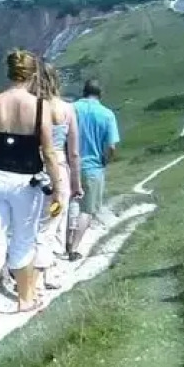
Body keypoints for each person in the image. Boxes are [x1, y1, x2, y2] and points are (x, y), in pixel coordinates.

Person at [0, 49, 60, 323]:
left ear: (9, 72)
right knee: (23, 239)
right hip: (26, 180)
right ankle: (25, 300)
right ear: (33, 74)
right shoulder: (40, 106)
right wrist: (57, 186)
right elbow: (47, 151)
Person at [34, 64, 82, 289]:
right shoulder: (67, 109)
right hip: (59, 170)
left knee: (32, 221)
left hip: (33, 170)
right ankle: (45, 273)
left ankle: (25, 273)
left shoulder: (32, 107)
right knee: (53, 220)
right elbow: (73, 151)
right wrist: (76, 183)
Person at [66, 78, 120, 260]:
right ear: (100, 94)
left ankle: (63, 240)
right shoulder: (107, 114)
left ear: (84, 91)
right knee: (87, 209)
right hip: (93, 167)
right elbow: (111, 146)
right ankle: (73, 248)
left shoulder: (71, 108)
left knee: (69, 203)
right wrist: (106, 160)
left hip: (68, 164)